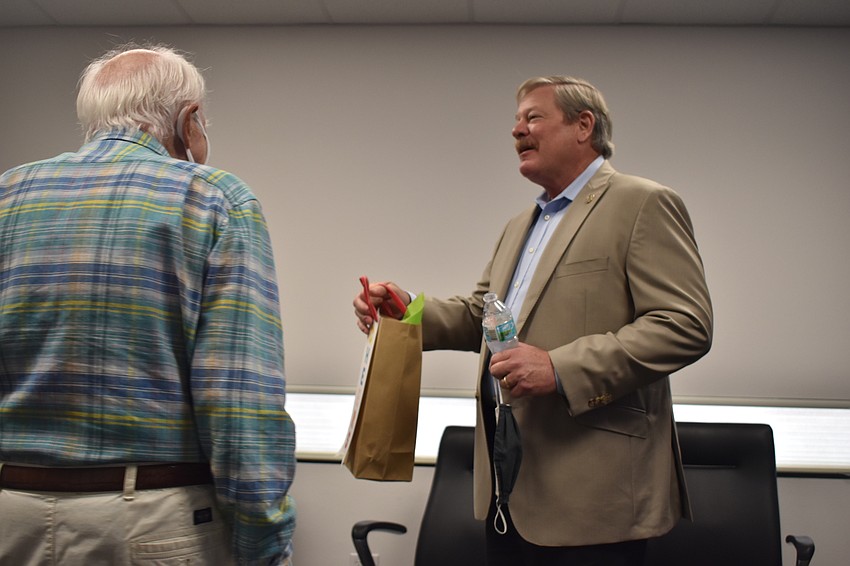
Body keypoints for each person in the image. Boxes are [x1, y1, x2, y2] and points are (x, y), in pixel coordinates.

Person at [354, 75, 712, 565]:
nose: (517, 130)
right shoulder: (519, 226)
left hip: (595, 500)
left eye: (533, 117)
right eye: (516, 120)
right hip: (510, 489)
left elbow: (683, 323)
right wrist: (407, 308)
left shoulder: (641, 203)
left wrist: (559, 367)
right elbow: (482, 315)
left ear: (584, 125)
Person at [0, 44, 295, 565]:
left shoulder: (9, 193)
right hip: (148, 522)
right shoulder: (215, 199)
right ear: (189, 119)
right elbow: (237, 401)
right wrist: (265, 544)